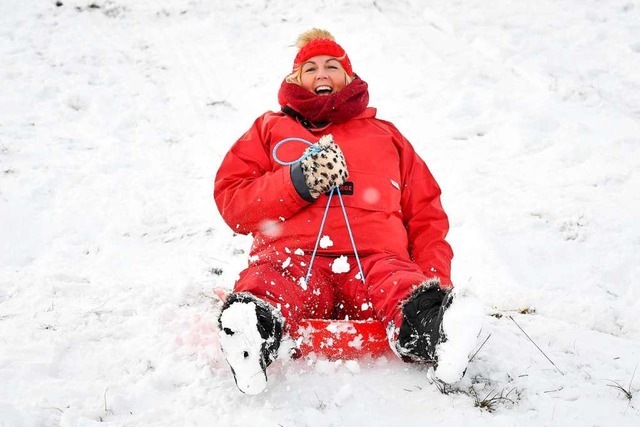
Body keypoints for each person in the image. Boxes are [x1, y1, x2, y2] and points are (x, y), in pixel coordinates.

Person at [214, 28, 468, 394]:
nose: (322, 74)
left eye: (332, 66)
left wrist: (432, 283)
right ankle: (252, 332)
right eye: (311, 67)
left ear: (349, 77)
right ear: (295, 79)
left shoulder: (386, 135)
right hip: (293, 258)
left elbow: (426, 215)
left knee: (399, 284)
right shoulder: (269, 128)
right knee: (271, 283)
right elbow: (233, 202)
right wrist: (297, 182)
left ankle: (435, 328)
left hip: (374, 262)